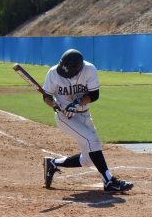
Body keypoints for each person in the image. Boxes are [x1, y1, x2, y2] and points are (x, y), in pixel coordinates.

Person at [41, 49, 134, 192]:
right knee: (93, 141)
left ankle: (53, 163)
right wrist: (55, 105)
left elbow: (94, 94)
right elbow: (46, 96)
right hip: (65, 118)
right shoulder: (53, 73)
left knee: (88, 159)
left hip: (84, 114)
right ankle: (109, 181)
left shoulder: (89, 70)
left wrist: (77, 102)